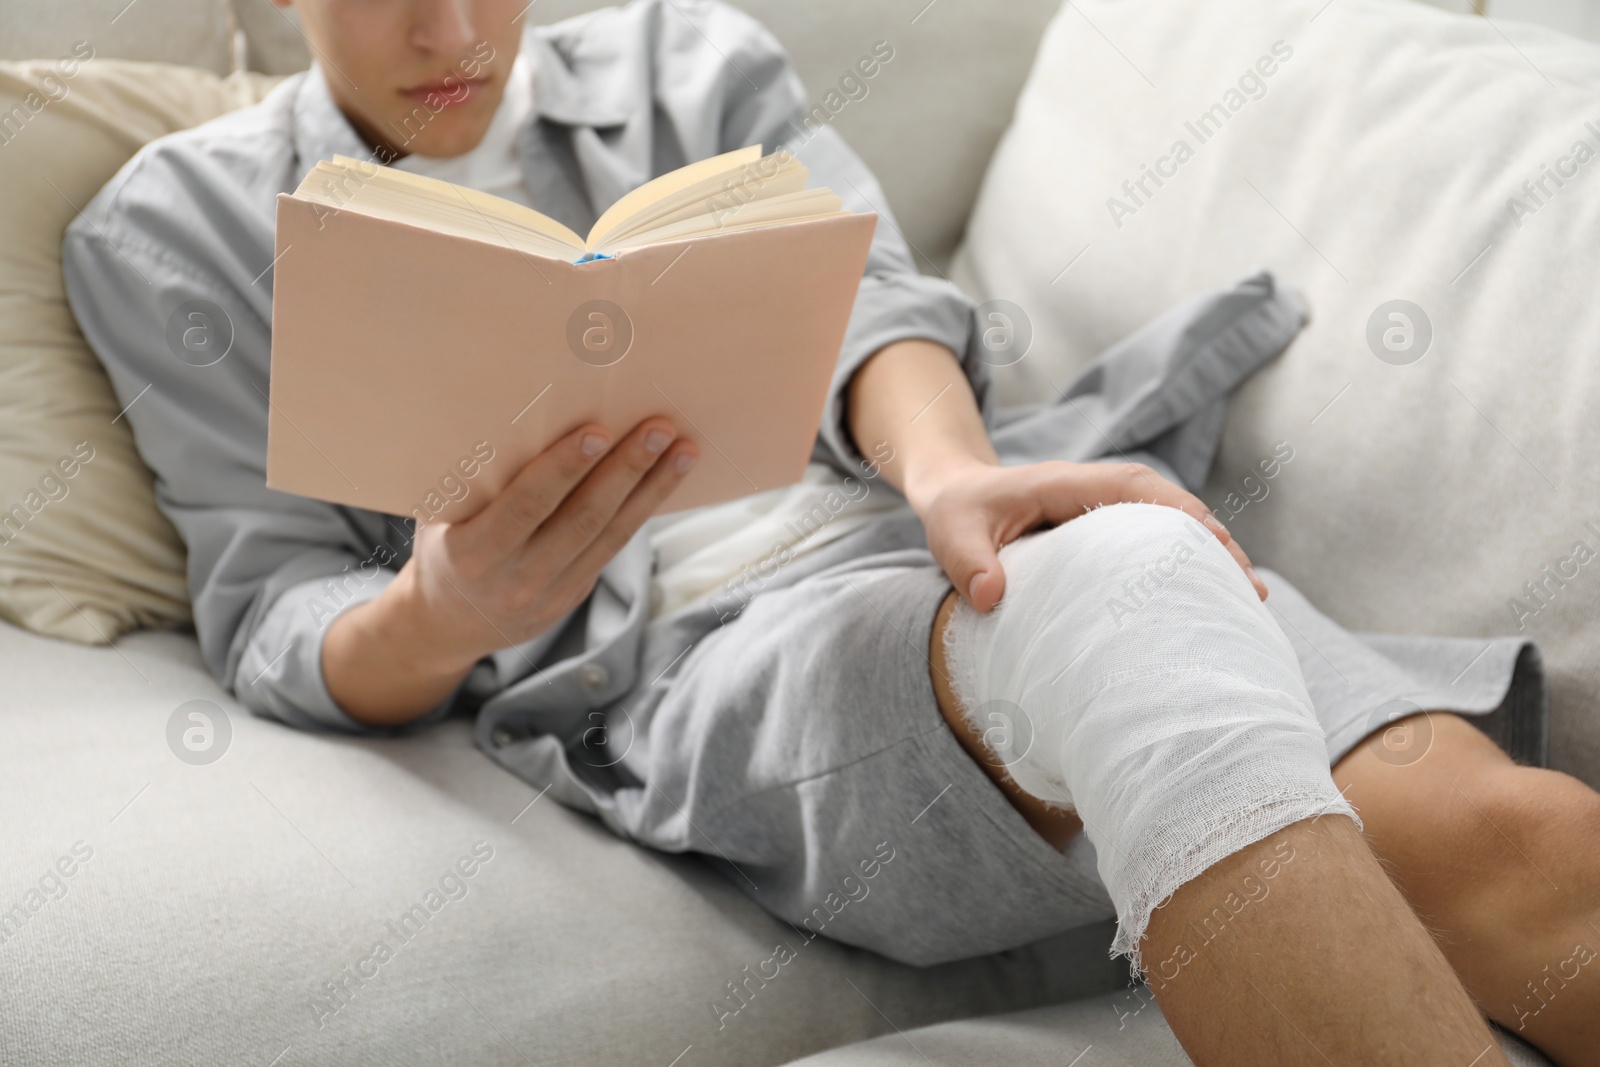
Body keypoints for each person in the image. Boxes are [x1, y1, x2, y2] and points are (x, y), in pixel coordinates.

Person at [61, 1, 1599, 1063]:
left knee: (1520, 849)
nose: (453, 34)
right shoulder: (168, 232)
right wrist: (449, 607)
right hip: (709, 664)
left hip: (920, 530)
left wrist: (949, 476)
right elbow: (271, 620)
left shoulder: (687, 56)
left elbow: (877, 300)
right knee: (1122, 596)